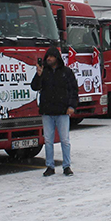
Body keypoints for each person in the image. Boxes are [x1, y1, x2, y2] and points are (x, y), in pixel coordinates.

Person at [30, 46, 78, 176]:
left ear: (57, 58)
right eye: (47, 57)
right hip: (47, 111)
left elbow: (74, 90)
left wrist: (72, 106)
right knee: (48, 141)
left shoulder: (66, 72)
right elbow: (35, 86)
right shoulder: (44, 72)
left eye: (51, 57)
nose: (49, 59)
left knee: (65, 140)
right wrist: (38, 75)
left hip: (62, 111)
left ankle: (66, 166)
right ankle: (50, 166)